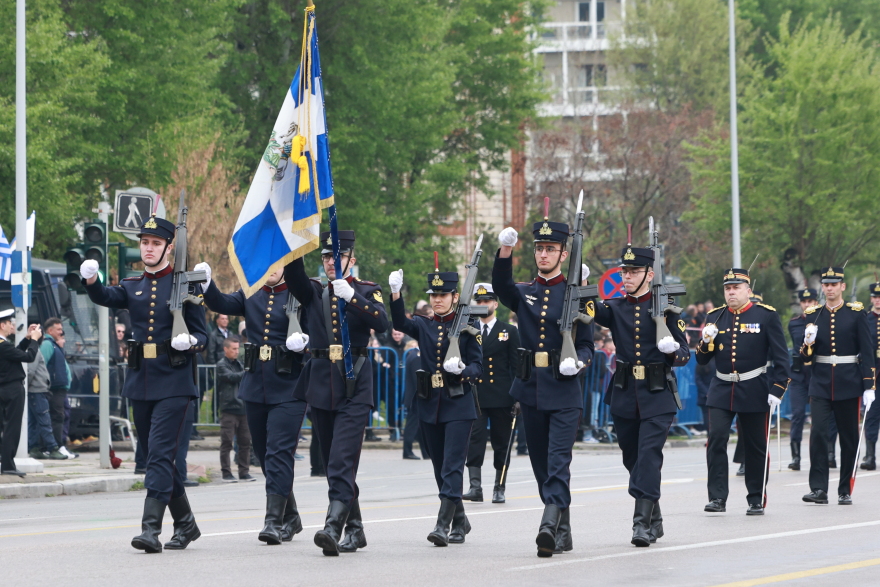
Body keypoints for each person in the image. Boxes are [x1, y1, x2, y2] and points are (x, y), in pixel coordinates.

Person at [81, 215, 207, 553]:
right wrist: (91, 280)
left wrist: (190, 341)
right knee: (155, 455)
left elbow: (204, 335)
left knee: (161, 455)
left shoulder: (184, 285)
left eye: (155, 243)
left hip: (175, 381)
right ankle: (186, 523)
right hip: (141, 381)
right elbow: (106, 297)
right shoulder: (132, 284)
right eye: (144, 243)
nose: (148, 248)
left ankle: (150, 530)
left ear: (169, 247)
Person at [492, 215, 594, 558]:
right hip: (531, 389)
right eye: (540, 249)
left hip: (565, 390)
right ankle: (562, 528)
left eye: (551, 249)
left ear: (564, 254)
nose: (544, 255)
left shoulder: (576, 295)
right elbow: (501, 287)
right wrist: (505, 250)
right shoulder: (525, 293)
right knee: (539, 464)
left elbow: (588, 345)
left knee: (557, 462)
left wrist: (577, 362)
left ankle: (548, 525)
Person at [284, 230, 389, 556]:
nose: (331, 262)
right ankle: (355, 530)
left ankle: (333, 525)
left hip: (355, 384)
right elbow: (294, 275)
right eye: (327, 257)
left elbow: (382, 323)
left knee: (342, 459)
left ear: (351, 260)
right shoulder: (314, 292)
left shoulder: (368, 289)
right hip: (321, 384)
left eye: (338, 256)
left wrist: (352, 298)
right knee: (333, 463)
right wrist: (295, 240)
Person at [199, 263, 307, 543]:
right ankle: (291, 516)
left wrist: (305, 344)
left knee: (278, 452)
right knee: (266, 455)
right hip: (257, 386)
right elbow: (221, 302)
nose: (270, 267)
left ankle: (273, 521)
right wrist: (207, 284)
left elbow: (322, 329)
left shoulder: (301, 294)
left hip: (290, 387)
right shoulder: (252, 293)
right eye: (266, 261)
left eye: (278, 262)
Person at [592, 241, 689, 545]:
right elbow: (590, 310)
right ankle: (655, 516)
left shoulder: (667, 308)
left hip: (657, 393)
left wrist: (673, 351)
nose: (627, 276)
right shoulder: (616, 307)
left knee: (648, 456)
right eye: (624, 271)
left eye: (634, 271)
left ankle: (640, 523)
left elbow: (685, 352)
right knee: (631, 458)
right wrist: (579, 283)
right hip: (623, 393)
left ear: (650, 273)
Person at [389, 263, 482, 546]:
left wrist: (462, 370)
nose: (437, 300)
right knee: (440, 467)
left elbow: (479, 368)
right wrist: (395, 294)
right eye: (433, 295)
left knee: (453, 466)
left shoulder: (468, 326)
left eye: (443, 295)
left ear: (455, 296)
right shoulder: (425, 324)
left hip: (459, 404)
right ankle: (460, 520)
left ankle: (442, 525)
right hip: (430, 404)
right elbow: (400, 324)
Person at [697, 268, 790, 515]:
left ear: (747, 290)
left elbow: (782, 357)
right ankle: (717, 498)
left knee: (755, 444)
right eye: (727, 288)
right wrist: (705, 342)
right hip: (721, 388)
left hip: (754, 387)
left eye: (736, 288)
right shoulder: (714, 317)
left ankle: (756, 497)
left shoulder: (766, 316)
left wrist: (778, 388)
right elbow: (702, 360)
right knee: (716, 439)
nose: (731, 292)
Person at [800, 266, 876, 505]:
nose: (830, 288)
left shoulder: (856, 313)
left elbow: (867, 351)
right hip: (821, 381)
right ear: (822, 287)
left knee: (849, 438)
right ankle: (819, 489)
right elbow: (806, 357)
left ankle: (845, 489)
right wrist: (808, 343)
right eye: (826, 285)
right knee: (819, 434)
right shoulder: (813, 313)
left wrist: (869, 385)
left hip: (848, 382)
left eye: (834, 284)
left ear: (842, 286)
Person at [462, 283, 520, 504]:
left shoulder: (509, 331)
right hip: (476, 394)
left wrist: (517, 397)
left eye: (487, 301)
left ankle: (499, 486)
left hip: (502, 395)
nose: (483, 305)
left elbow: (516, 367)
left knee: (501, 442)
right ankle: (475, 486)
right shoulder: (469, 329)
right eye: (480, 301)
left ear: (495, 304)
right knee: (474, 440)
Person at [1, 311, 42, 476]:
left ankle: (5, 463)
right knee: (12, 427)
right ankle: (8, 466)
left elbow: (16, 354)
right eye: (9, 323)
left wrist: (26, 338)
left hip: (4, 388)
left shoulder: (3, 345)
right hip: (12, 389)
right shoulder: (3, 345)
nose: (12, 325)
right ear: (2, 325)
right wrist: (34, 340)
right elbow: (29, 357)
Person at [787, 288, 818, 470]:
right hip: (799, 373)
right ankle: (796, 456)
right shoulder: (795, 324)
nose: (807, 304)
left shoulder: (822, 321)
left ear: (815, 302)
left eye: (810, 301)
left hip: (816, 373)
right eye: (804, 302)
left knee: (820, 416)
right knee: (798, 414)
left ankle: (823, 452)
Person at [214, 336, 252, 483]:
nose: (237, 352)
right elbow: (231, 377)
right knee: (227, 442)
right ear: (226, 349)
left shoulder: (240, 364)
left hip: (243, 408)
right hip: (229, 408)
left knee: (245, 442)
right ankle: (226, 472)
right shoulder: (221, 365)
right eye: (234, 349)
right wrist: (247, 372)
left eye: (238, 349)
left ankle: (244, 471)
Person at [27, 331, 67, 460]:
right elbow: (30, 371)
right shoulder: (35, 352)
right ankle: (52, 448)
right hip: (37, 391)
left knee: (34, 421)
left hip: (36, 391)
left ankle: (34, 448)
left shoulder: (36, 351)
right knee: (44, 420)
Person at [41, 318, 71, 451]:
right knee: (57, 417)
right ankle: (56, 446)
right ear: (50, 330)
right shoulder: (48, 345)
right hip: (54, 388)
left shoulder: (53, 344)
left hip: (59, 387)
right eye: (58, 329)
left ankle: (58, 445)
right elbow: (41, 365)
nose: (61, 332)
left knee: (60, 416)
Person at [861, 282, 880, 470]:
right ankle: (870, 455)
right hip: (874, 374)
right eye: (875, 297)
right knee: (871, 415)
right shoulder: (866, 319)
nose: (877, 300)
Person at [401, 339, 428, 460]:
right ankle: (407, 451)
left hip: (416, 396)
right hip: (416, 397)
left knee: (421, 426)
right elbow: (419, 379)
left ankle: (426, 452)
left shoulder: (415, 355)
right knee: (412, 425)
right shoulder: (417, 357)